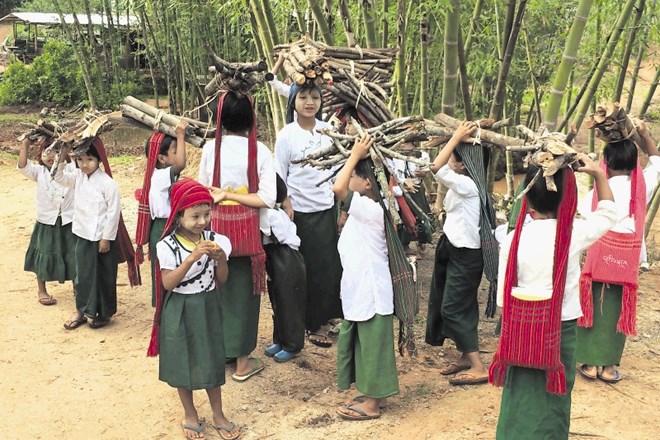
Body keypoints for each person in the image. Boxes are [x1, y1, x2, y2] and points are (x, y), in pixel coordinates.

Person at [491, 156, 616, 439]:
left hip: (521, 327)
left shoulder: (513, 238)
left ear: (529, 200)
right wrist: (598, 174)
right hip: (561, 328)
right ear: (567, 197)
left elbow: (502, 299)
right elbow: (609, 214)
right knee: (553, 393)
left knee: (519, 390)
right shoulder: (573, 234)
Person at [149, 179, 240, 440]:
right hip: (180, 307)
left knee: (212, 359)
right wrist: (192, 257)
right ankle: (190, 414)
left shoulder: (216, 240)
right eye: (195, 216)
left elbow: (222, 278)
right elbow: (167, 283)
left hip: (207, 304)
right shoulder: (166, 246)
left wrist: (220, 259)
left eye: (207, 214)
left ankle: (218, 414)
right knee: (182, 360)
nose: (202, 221)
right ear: (178, 215)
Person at [199, 90, 276, 382]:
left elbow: (203, 191)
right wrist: (237, 196)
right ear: (250, 117)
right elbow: (268, 198)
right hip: (248, 234)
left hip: (216, 231)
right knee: (245, 293)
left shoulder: (210, 149)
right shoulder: (262, 151)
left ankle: (218, 354)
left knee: (217, 289)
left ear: (220, 118)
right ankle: (242, 363)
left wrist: (223, 196)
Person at [576, 121, 660, 384]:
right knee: (617, 310)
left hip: (600, 253)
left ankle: (589, 364)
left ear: (606, 164)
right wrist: (645, 135)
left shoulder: (597, 192)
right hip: (628, 257)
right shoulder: (642, 185)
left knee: (592, 305)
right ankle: (609, 366)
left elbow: (582, 217)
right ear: (635, 162)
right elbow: (657, 162)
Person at [332, 134, 400, 421]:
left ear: (368, 183)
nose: (350, 179)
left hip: (371, 289)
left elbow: (338, 187)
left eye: (355, 176)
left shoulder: (371, 208)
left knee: (373, 347)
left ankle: (372, 404)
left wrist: (356, 154)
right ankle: (375, 395)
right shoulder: (367, 209)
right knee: (366, 344)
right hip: (362, 287)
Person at [425, 121, 498, 385]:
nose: (452, 161)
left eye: (455, 156)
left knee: (453, 307)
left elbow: (436, 168)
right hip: (454, 247)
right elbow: (442, 167)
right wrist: (455, 140)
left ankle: (478, 365)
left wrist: (455, 137)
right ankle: (466, 356)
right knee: (458, 304)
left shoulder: (470, 187)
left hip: (467, 254)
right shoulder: (466, 183)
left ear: (465, 163)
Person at [274, 82, 343, 348]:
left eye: (315, 96)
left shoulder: (328, 131)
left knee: (328, 266)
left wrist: (341, 207)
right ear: (293, 101)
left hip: (325, 208)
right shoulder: (287, 135)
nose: (309, 102)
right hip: (299, 212)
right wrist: (286, 201)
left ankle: (326, 317)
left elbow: (337, 169)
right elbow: (279, 173)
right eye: (303, 97)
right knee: (307, 269)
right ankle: (312, 323)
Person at [54, 141, 121, 330]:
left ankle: (103, 313)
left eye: (90, 159)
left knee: (103, 276)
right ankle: (81, 311)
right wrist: (63, 154)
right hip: (82, 235)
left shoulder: (108, 184)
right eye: (80, 159)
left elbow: (113, 213)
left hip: (101, 239)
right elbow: (58, 176)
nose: (84, 164)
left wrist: (106, 238)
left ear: (99, 159)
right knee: (82, 275)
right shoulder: (77, 177)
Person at [18, 137, 76, 306]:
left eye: (57, 152)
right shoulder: (39, 172)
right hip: (46, 221)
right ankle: (41, 289)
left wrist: (66, 151)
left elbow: (72, 163)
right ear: (40, 154)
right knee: (42, 254)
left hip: (68, 220)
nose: (51, 156)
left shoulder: (71, 169)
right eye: (47, 152)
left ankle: (77, 286)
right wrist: (25, 145)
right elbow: (22, 165)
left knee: (72, 255)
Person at [135, 121, 188, 306]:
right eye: (175, 150)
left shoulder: (159, 175)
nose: (178, 153)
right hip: (164, 228)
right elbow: (181, 164)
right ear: (161, 158)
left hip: (165, 226)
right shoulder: (160, 175)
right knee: (166, 268)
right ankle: (165, 309)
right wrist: (181, 135)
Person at [263, 174, 307, 362]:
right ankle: (279, 340)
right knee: (277, 300)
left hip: (287, 258)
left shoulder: (273, 214)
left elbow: (277, 237)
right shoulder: (268, 212)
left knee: (289, 301)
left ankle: (293, 344)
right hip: (275, 258)